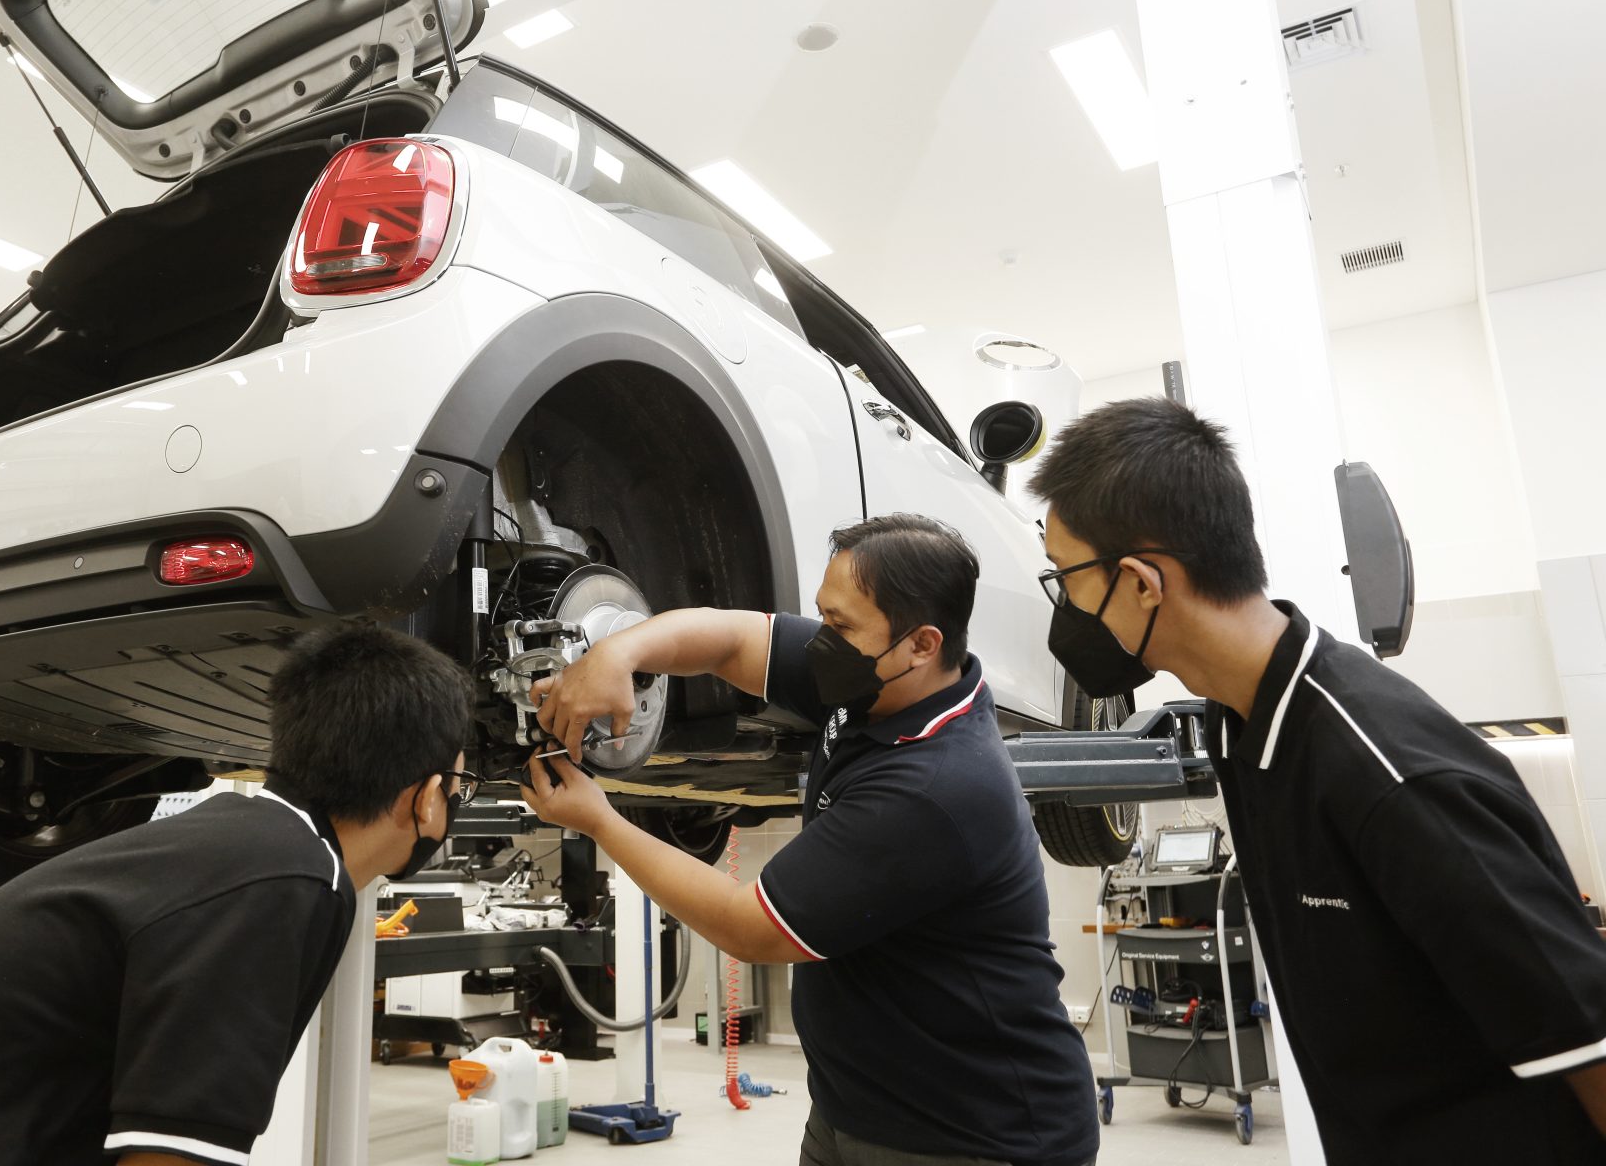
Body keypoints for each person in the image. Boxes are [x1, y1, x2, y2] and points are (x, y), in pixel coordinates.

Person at [1029, 397, 1606, 1162]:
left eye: (1065, 578)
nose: (1063, 608)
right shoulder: (1243, 725)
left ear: (1141, 582)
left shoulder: (1387, 773)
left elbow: (1587, 1044)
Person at [524, 513, 1099, 1166]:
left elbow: (751, 928)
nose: (822, 637)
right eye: (825, 616)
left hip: (978, 1135)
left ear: (922, 643)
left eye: (841, 625)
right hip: (855, 1109)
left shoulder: (937, 784)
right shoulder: (875, 682)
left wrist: (601, 821)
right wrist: (618, 651)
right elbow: (732, 638)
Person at [0, 625, 478, 1166]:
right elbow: (169, 1157)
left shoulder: (250, 846)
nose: (453, 804)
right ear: (422, 799)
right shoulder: (285, 879)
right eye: (457, 786)